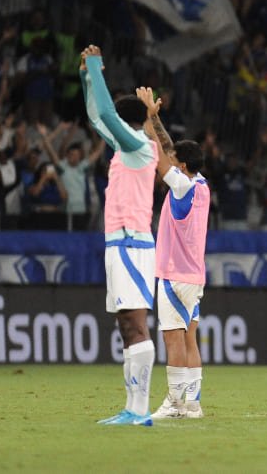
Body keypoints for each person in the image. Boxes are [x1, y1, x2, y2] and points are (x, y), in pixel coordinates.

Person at [81, 45, 158, 427]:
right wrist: (84, 76)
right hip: (118, 243)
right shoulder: (125, 148)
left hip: (132, 243)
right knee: (125, 325)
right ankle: (132, 408)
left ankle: (140, 411)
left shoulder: (141, 146)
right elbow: (98, 118)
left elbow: (106, 115)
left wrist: (96, 66)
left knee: (135, 322)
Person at [137, 86, 211, 421]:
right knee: (190, 338)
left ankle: (174, 402)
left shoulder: (180, 186)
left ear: (181, 166)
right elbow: (169, 149)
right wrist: (153, 116)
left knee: (173, 339)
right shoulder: (201, 186)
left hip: (173, 274)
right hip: (194, 275)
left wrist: (144, 123)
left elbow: (159, 156)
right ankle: (192, 403)